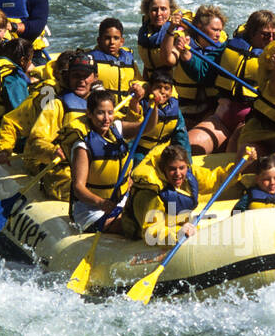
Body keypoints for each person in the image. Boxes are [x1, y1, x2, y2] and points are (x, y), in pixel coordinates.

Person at [191, 9, 275, 155]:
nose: (271, 39)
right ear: (252, 33)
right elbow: (204, 72)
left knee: (234, 152)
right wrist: (185, 54)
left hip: (251, 125)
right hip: (222, 118)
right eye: (266, 34)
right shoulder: (229, 47)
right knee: (190, 146)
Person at [122, 144, 256, 245]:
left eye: (181, 168)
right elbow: (151, 232)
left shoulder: (190, 175)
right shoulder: (150, 192)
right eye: (172, 169)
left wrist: (242, 165)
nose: (178, 173)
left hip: (178, 224)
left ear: (186, 166)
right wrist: (177, 234)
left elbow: (216, 180)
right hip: (142, 234)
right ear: (164, 169)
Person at [24, 51, 98, 200]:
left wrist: (136, 106)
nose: (81, 81)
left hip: (95, 171)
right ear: (68, 77)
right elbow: (35, 142)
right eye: (76, 76)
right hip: (65, 173)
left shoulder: (103, 105)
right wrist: (52, 151)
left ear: (95, 78)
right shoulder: (56, 105)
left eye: (86, 76)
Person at [68, 90, 131, 233]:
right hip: (93, 212)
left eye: (110, 112)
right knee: (131, 226)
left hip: (120, 202)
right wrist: (100, 203)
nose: (106, 118)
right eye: (100, 113)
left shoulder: (117, 131)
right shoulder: (82, 146)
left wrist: (155, 106)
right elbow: (78, 188)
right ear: (89, 113)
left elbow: (147, 127)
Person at [172, 4, 227, 147]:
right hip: (185, 108)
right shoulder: (182, 42)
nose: (218, 34)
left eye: (220, 30)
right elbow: (167, 59)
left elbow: (204, 75)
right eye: (214, 30)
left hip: (210, 108)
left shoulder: (222, 49)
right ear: (200, 28)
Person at [117, 69, 190, 165]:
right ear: (150, 88)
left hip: (163, 152)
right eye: (158, 87)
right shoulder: (141, 106)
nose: (162, 92)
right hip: (141, 152)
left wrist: (187, 162)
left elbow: (182, 138)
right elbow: (131, 137)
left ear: (171, 91)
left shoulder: (175, 110)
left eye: (166, 88)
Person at [89, 18, 139, 98]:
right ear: (99, 40)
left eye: (116, 38)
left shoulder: (129, 60)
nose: (112, 42)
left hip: (126, 107)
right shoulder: (90, 60)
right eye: (107, 38)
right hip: (102, 108)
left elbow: (139, 81)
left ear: (122, 41)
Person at [136, 0, 180, 75]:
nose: (159, 13)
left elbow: (169, 61)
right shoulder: (145, 32)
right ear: (148, 12)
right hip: (152, 83)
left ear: (170, 11)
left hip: (169, 84)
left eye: (163, 9)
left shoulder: (177, 32)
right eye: (154, 10)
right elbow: (147, 65)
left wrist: (170, 29)